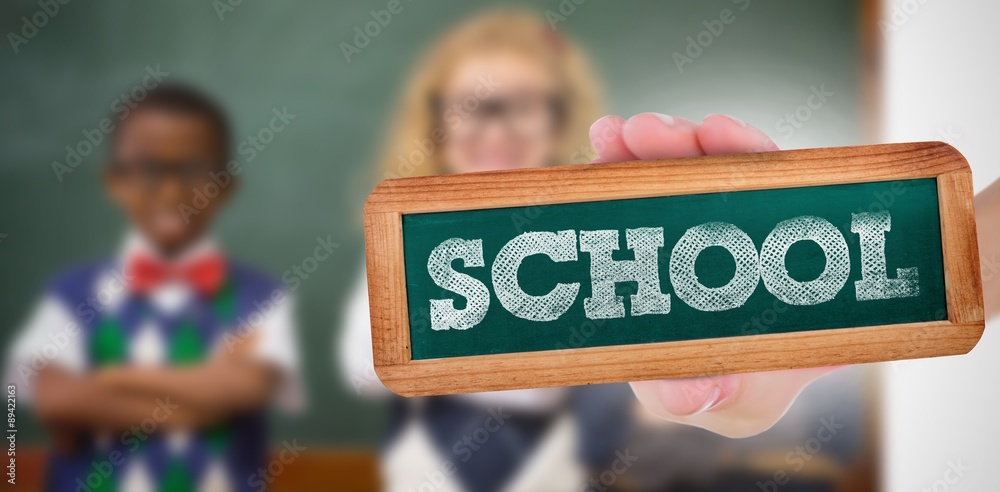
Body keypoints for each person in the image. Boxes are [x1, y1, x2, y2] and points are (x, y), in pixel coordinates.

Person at [5, 84, 302, 491]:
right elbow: (57, 397)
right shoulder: (71, 293)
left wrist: (110, 378)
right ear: (114, 182)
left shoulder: (261, 297)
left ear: (226, 186)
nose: (173, 191)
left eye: (195, 170)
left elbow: (246, 385)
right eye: (148, 169)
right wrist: (196, 405)